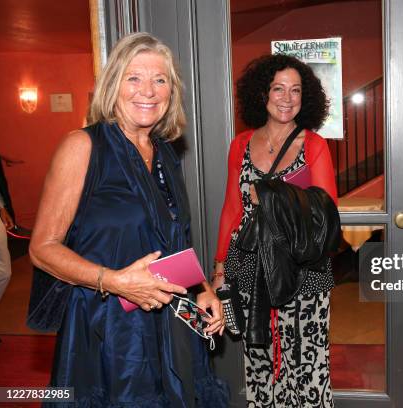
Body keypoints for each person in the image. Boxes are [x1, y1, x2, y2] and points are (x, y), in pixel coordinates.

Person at [29, 32, 228, 407]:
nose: (147, 91)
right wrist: (115, 281)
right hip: (103, 326)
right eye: (133, 77)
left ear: (171, 91)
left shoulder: (166, 154)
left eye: (160, 79)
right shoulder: (82, 146)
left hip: (167, 322)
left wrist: (203, 289)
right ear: (113, 85)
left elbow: (174, 242)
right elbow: (42, 249)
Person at [212, 54, 338, 407]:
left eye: (295, 90)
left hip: (302, 268)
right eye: (278, 88)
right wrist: (220, 267)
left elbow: (326, 214)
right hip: (249, 265)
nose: (287, 98)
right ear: (261, 95)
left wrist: (269, 195)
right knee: (259, 359)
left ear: (306, 97)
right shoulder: (240, 144)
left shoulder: (314, 144)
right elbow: (231, 209)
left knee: (307, 362)